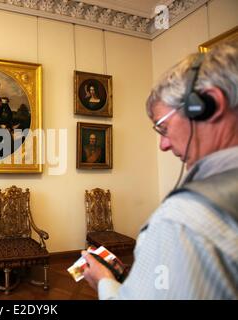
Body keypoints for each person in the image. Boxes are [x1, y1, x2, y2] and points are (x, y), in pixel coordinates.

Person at [81, 41, 238, 299]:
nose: (163, 145)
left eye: (163, 127)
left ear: (209, 105)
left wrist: (104, 281)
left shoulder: (182, 221)